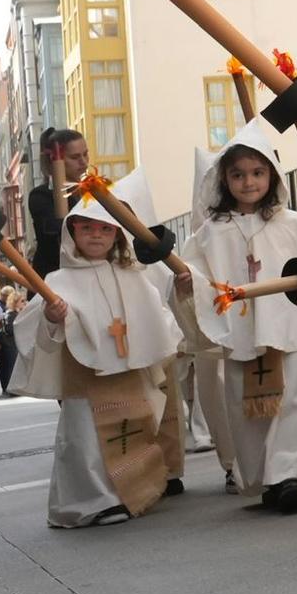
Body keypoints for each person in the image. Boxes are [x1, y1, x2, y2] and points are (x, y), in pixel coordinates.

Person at [186, 121, 297, 514]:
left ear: (271, 176)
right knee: (246, 406)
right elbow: (195, 276)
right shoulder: (210, 232)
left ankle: (290, 473)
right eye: (238, 174)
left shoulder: (290, 223)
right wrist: (186, 284)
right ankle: (263, 476)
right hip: (242, 329)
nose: (248, 182)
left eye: (258, 173)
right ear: (224, 180)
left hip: (292, 326)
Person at [14, 172, 186, 527]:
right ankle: (88, 502)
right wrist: (51, 316)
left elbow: (159, 316)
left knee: (132, 433)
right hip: (86, 379)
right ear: (72, 231)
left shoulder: (132, 275)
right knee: (84, 440)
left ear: (117, 235)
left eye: (105, 229)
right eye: (87, 228)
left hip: (127, 373)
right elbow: (34, 332)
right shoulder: (58, 281)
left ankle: (129, 494)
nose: (96, 235)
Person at [28, 128, 90, 276]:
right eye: (75, 157)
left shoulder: (91, 192)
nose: (83, 162)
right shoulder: (41, 196)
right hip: (56, 278)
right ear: (56, 160)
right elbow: (59, 235)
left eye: (85, 154)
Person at [0, 286, 22, 394]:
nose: (22, 303)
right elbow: (10, 330)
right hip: (9, 345)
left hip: (11, 344)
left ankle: (12, 389)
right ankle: (10, 389)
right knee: (10, 366)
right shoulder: (11, 315)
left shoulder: (12, 314)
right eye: (21, 301)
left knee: (11, 366)